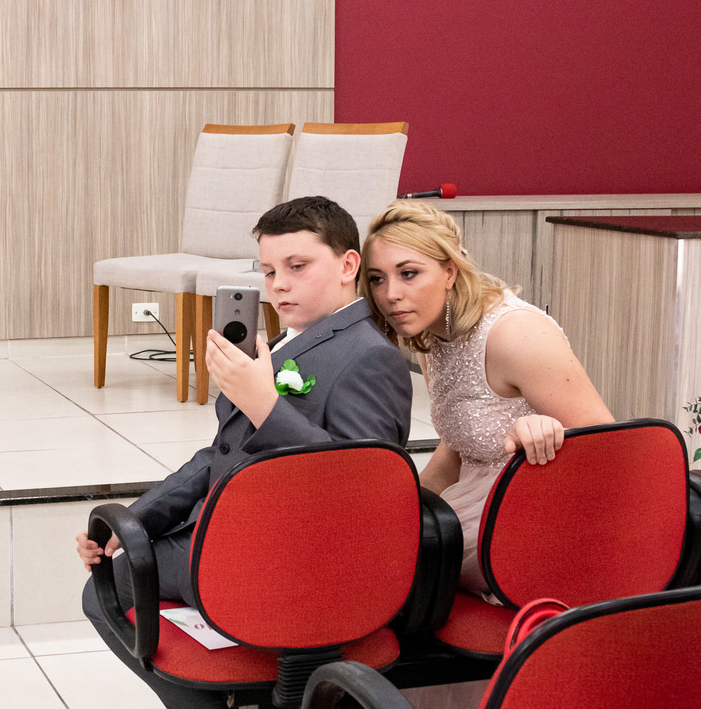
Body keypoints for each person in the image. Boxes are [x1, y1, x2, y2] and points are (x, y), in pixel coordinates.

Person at [76, 197, 413, 709]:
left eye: (297, 267)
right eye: (269, 270)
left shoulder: (370, 357)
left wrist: (267, 405)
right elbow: (220, 451)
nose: (278, 284)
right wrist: (137, 520)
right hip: (231, 531)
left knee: (113, 590)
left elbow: (362, 488)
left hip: (286, 558)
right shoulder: (287, 341)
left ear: (348, 265)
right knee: (112, 575)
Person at [361, 200, 613, 595]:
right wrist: (397, 510)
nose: (390, 294)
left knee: (388, 568)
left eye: (409, 273)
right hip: (477, 497)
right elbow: (457, 447)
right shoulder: (433, 334)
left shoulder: (515, 334)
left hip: (540, 515)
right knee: (366, 541)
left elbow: (613, 450)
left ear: (449, 270)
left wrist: (545, 431)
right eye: (377, 279)